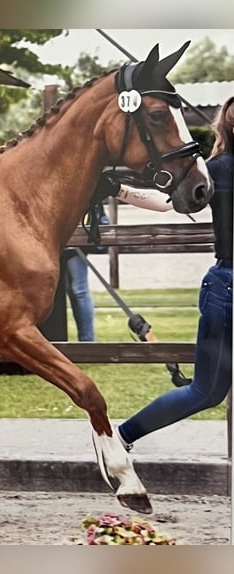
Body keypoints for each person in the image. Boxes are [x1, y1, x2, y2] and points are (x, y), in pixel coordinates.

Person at [117, 96, 233, 451]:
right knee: (205, 391)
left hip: (222, 287)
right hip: (226, 286)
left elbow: (165, 201)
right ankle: (119, 437)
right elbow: (167, 201)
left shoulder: (217, 168)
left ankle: (120, 437)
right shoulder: (217, 169)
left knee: (205, 391)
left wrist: (118, 190)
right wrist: (119, 189)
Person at [63, 202, 109, 342]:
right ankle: (86, 339)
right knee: (76, 290)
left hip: (73, 243)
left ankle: (87, 339)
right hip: (68, 242)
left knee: (78, 290)